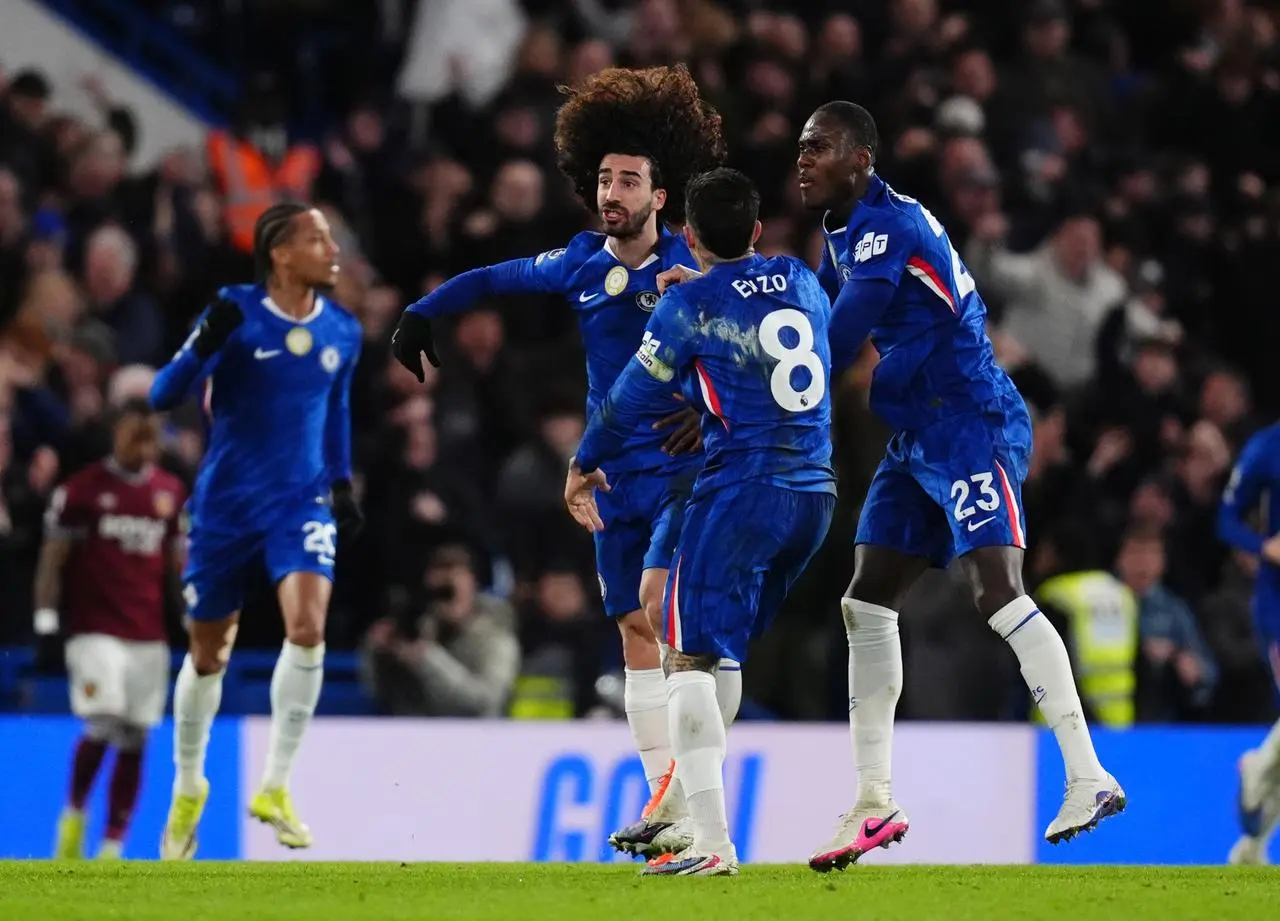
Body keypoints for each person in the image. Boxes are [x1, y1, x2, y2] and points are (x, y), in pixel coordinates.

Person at [389, 65, 728, 854]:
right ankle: (666, 810)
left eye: (629, 182)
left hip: (684, 473)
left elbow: (752, 341)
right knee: (632, 632)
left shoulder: (695, 263)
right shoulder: (580, 261)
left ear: (660, 196)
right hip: (610, 474)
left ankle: (690, 803)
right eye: (605, 179)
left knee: (671, 625)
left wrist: (708, 410)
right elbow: (492, 276)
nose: (612, 193)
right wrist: (420, 313)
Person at [795, 101, 1123, 870]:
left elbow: (837, 341)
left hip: (970, 419)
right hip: (917, 434)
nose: (803, 160)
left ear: (862, 159)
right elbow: (812, 313)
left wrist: (749, 388)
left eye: (820, 148)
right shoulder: (843, 230)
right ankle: (874, 799)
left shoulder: (888, 228)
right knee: (865, 597)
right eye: (801, 149)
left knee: (996, 588)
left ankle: (1087, 771)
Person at [566, 168, 836, 875]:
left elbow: (627, 399)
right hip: (815, 494)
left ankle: (710, 839)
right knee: (719, 650)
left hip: (742, 489)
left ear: (688, 232)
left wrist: (585, 457)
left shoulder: (685, 309)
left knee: (683, 653)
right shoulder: (802, 279)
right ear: (755, 230)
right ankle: (681, 812)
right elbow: (782, 347)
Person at [148, 203, 364, 859]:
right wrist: (204, 343)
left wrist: (342, 482)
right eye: (317, 239)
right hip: (226, 505)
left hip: (299, 500)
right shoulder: (234, 310)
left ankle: (274, 783)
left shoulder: (344, 330)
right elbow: (162, 394)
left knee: (307, 626)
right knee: (208, 652)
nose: (333, 250)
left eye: (332, 237)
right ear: (280, 253)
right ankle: (189, 784)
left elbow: (336, 414)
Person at [36, 399, 186, 859]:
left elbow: (177, 565)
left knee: (137, 733)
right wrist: (46, 621)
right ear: (116, 434)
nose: (145, 446)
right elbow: (53, 560)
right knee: (103, 718)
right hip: (94, 628)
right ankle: (75, 813)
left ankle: (112, 844)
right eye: (136, 435)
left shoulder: (169, 492)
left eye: (151, 436)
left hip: (147, 631)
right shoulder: (82, 490)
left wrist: (188, 616)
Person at [1217, 421, 1280, 864]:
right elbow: (1226, 518)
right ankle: (1257, 771)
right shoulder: (1268, 446)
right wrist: (1265, 547)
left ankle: (1252, 847)